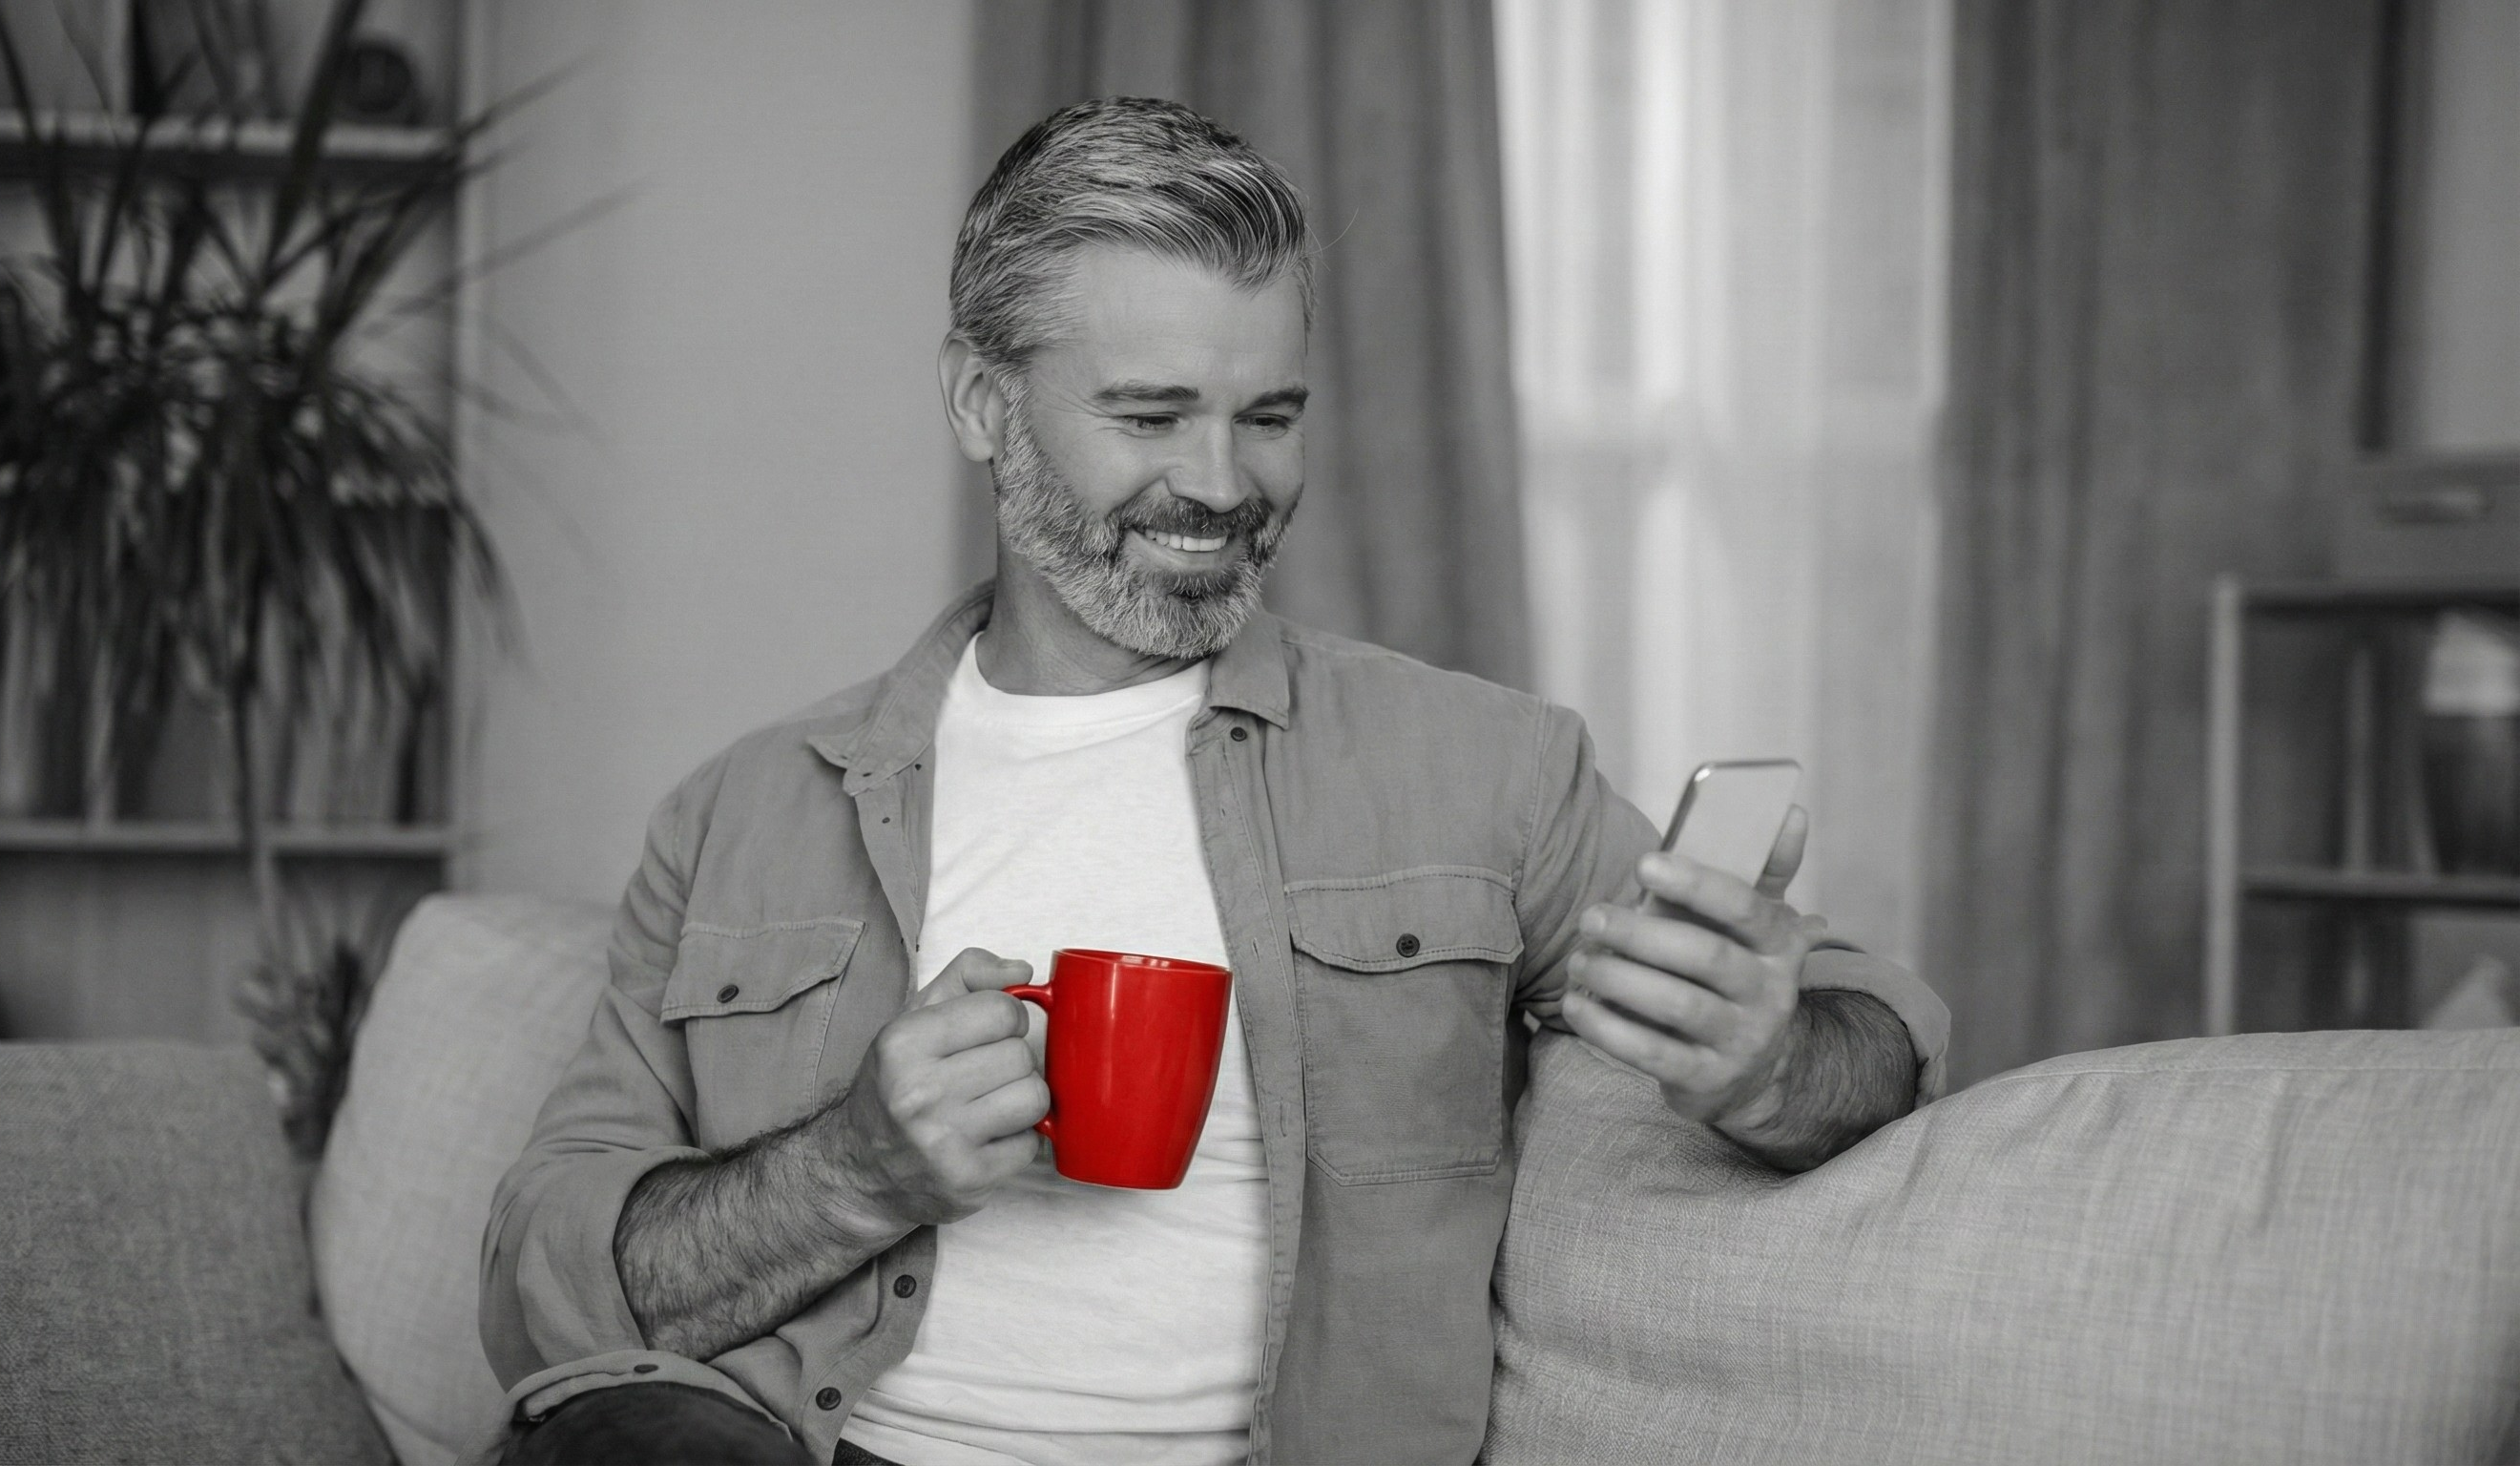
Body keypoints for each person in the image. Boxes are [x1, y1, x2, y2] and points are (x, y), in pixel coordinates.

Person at [478, 97, 1948, 1466]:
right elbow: (545, 1286)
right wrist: (856, 1169)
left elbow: (1876, 1033)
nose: (1227, 486)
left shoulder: (1482, 769)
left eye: (1270, 415)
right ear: (982, 405)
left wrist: (1771, 1061)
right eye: (1150, 415)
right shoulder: (745, 814)